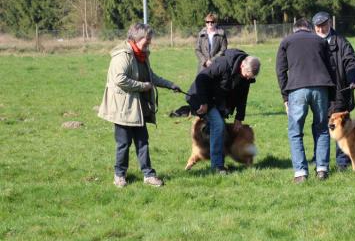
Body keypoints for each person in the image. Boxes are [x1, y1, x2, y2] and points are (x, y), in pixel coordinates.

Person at [98, 23, 182, 187]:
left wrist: (170, 85)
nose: (149, 44)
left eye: (150, 40)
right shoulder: (122, 55)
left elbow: (150, 77)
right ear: (135, 40)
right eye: (146, 41)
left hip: (138, 107)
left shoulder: (142, 55)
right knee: (123, 143)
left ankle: (148, 175)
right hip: (123, 108)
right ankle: (119, 175)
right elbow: (119, 79)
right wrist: (143, 86)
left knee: (143, 142)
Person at [276, 18, 335, 183]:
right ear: (310, 28)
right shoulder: (320, 41)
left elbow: (280, 70)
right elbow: (331, 67)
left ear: (295, 29)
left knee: (295, 132)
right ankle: (322, 169)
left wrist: (285, 96)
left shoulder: (286, 41)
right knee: (322, 128)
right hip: (321, 88)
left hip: (297, 89)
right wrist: (331, 94)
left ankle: (301, 173)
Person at [185, 49, 260, 174]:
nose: (247, 77)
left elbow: (243, 96)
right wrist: (203, 102)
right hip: (201, 97)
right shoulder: (224, 64)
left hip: (217, 102)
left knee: (217, 129)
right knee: (218, 124)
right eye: (247, 74)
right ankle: (217, 166)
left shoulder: (246, 77)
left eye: (250, 76)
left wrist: (239, 118)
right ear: (242, 65)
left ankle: (206, 151)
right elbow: (201, 79)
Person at [312, 11, 355, 171]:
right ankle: (319, 159)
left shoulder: (341, 42)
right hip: (319, 91)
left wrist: (352, 78)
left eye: (323, 25)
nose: (320, 29)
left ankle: (342, 162)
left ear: (330, 24)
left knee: (342, 126)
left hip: (340, 90)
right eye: (318, 27)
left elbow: (351, 61)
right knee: (319, 125)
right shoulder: (311, 43)